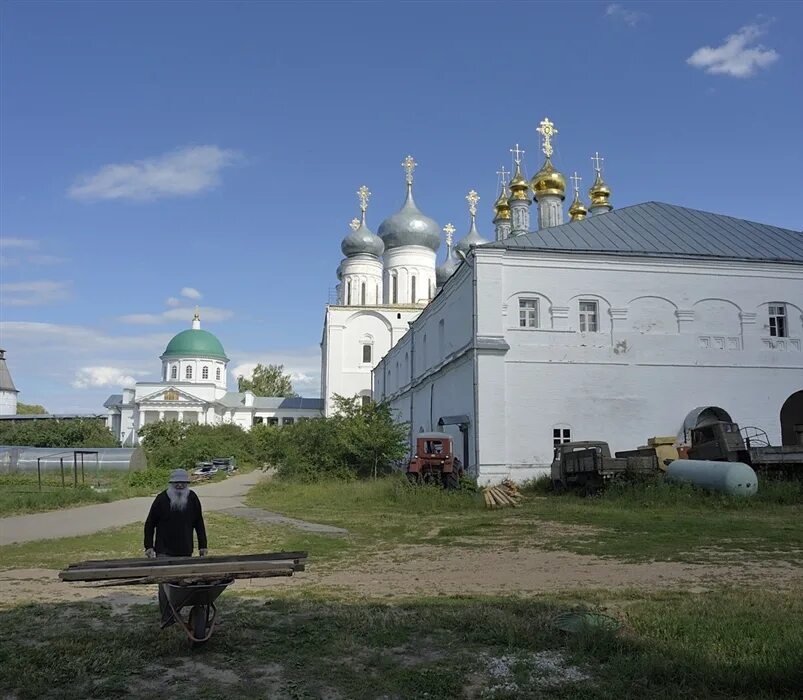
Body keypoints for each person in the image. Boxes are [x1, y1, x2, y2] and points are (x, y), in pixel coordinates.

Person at [143, 468, 208, 627]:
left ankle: (177, 612)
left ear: (187, 484)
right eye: (176, 483)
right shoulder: (161, 499)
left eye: (183, 483)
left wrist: (203, 545)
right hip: (164, 551)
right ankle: (167, 618)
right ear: (171, 483)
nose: (180, 485)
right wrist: (148, 546)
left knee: (182, 584)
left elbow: (199, 522)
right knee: (165, 586)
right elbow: (150, 524)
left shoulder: (192, 498)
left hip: (185, 550)